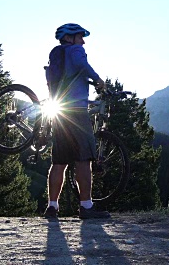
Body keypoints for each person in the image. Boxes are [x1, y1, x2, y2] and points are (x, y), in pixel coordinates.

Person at [43, 23, 110, 219]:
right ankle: (86, 207)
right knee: (84, 159)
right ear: (70, 38)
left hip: (60, 113)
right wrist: (98, 80)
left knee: (59, 161)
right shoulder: (75, 50)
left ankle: (52, 207)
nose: (83, 41)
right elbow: (82, 65)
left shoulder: (57, 54)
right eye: (80, 36)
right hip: (77, 113)